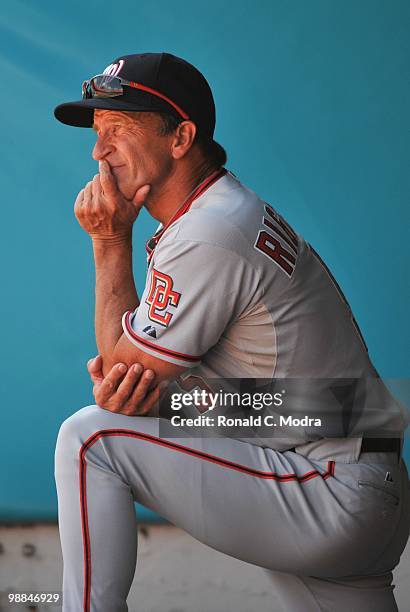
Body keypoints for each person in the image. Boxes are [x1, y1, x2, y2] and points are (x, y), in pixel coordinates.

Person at [54, 52, 410, 612]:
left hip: (326, 486)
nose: (99, 151)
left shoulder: (209, 231)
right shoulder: (224, 211)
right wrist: (144, 387)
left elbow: (123, 377)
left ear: (181, 137)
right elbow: (147, 386)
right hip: (349, 476)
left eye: (118, 129)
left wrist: (108, 244)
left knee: (91, 439)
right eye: (98, 133)